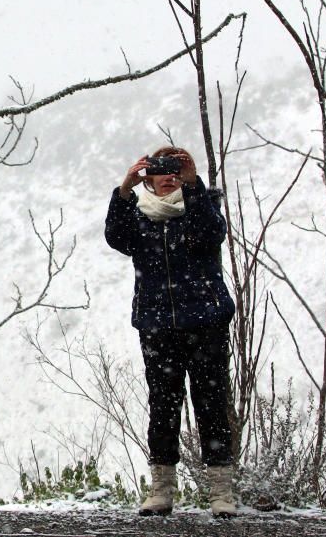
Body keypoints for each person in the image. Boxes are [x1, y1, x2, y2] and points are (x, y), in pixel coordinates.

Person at [104, 146, 237, 517]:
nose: (168, 175)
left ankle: (221, 493)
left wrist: (194, 186)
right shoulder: (139, 215)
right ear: (147, 174)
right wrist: (125, 190)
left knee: (211, 404)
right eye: (160, 169)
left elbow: (211, 234)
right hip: (157, 324)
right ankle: (161, 490)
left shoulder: (202, 205)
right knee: (163, 406)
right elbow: (116, 238)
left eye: (176, 168)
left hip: (206, 322)